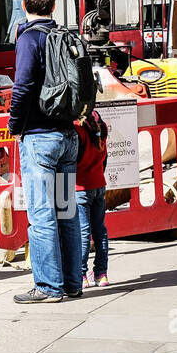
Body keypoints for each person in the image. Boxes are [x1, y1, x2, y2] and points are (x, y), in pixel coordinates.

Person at [8, 0, 82, 304]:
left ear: (25, 6)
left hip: (40, 141)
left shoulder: (29, 38)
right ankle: (72, 282)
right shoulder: (63, 36)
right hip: (67, 137)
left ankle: (48, 286)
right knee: (66, 211)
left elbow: (22, 86)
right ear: (53, 7)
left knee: (41, 214)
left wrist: (14, 124)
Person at [76, 110, 109, 287]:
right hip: (99, 184)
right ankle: (101, 274)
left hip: (80, 186)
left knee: (82, 233)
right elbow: (105, 160)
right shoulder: (100, 129)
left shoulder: (78, 129)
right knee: (100, 231)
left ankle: (81, 275)